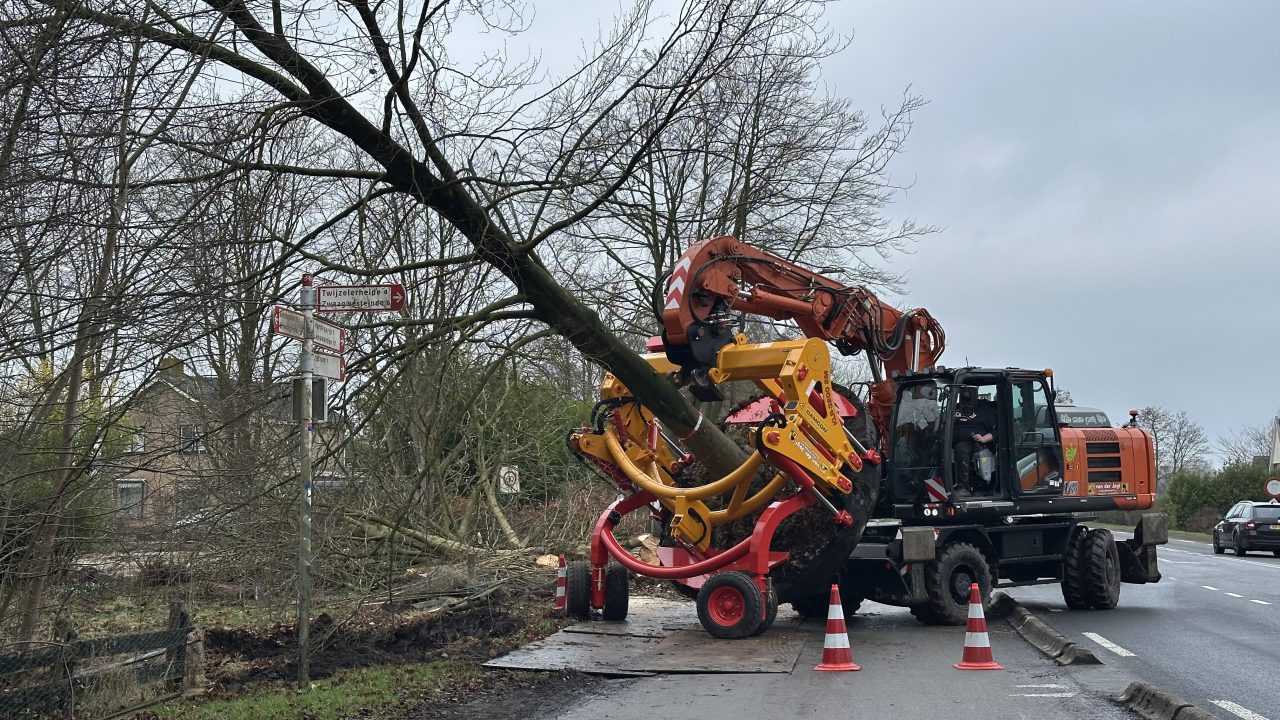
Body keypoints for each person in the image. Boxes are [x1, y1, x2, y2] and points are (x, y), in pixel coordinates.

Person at [952, 392, 997, 494]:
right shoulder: (954, 408)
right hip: (948, 442)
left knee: (961, 449)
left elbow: (998, 430)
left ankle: (963, 487)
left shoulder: (986, 411)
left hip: (975, 443)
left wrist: (984, 439)